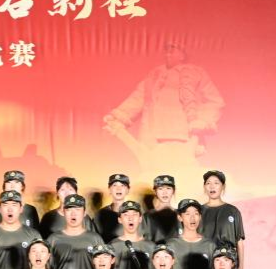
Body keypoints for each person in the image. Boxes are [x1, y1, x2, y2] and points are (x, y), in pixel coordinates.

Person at [103, 44, 225, 175]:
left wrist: (203, 121)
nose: (167, 54)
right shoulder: (155, 74)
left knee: (183, 172)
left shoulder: (195, 73)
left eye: (172, 51)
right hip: (154, 134)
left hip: (183, 134)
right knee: (153, 172)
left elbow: (215, 100)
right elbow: (138, 97)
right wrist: (119, 116)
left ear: (182, 55)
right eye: (166, 51)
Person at [47, 194, 105, 269]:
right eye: (69, 210)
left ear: (84, 213)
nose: (73, 214)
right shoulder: (53, 239)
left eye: (77, 210)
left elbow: (104, 268)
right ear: (63, 212)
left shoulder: (95, 239)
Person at [201, 170, 247, 269]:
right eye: (208, 183)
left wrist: (240, 268)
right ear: (204, 187)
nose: (212, 186)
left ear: (223, 186)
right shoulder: (198, 212)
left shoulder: (233, 211)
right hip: (204, 262)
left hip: (227, 262)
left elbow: (239, 242)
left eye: (216, 183)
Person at [167, 199, 215, 269]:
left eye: (196, 213)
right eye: (187, 214)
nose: (192, 218)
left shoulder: (210, 245)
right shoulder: (171, 245)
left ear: (200, 217)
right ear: (180, 217)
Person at [109, 200, 154, 269]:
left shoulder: (151, 246)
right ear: (119, 219)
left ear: (140, 218)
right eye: (126, 215)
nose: (130, 218)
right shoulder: (112, 246)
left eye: (134, 214)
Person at [93, 173, 132, 242]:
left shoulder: (135, 214)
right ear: (109, 189)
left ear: (128, 190)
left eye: (122, 185)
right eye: (114, 185)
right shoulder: (101, 214)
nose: (118, 189)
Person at [141, 175, 180, 243]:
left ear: (173, 191)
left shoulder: (181, 215)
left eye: (168, 188)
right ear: (155, 191)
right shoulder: (146, 217)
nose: (165, 192)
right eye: (160, 189)